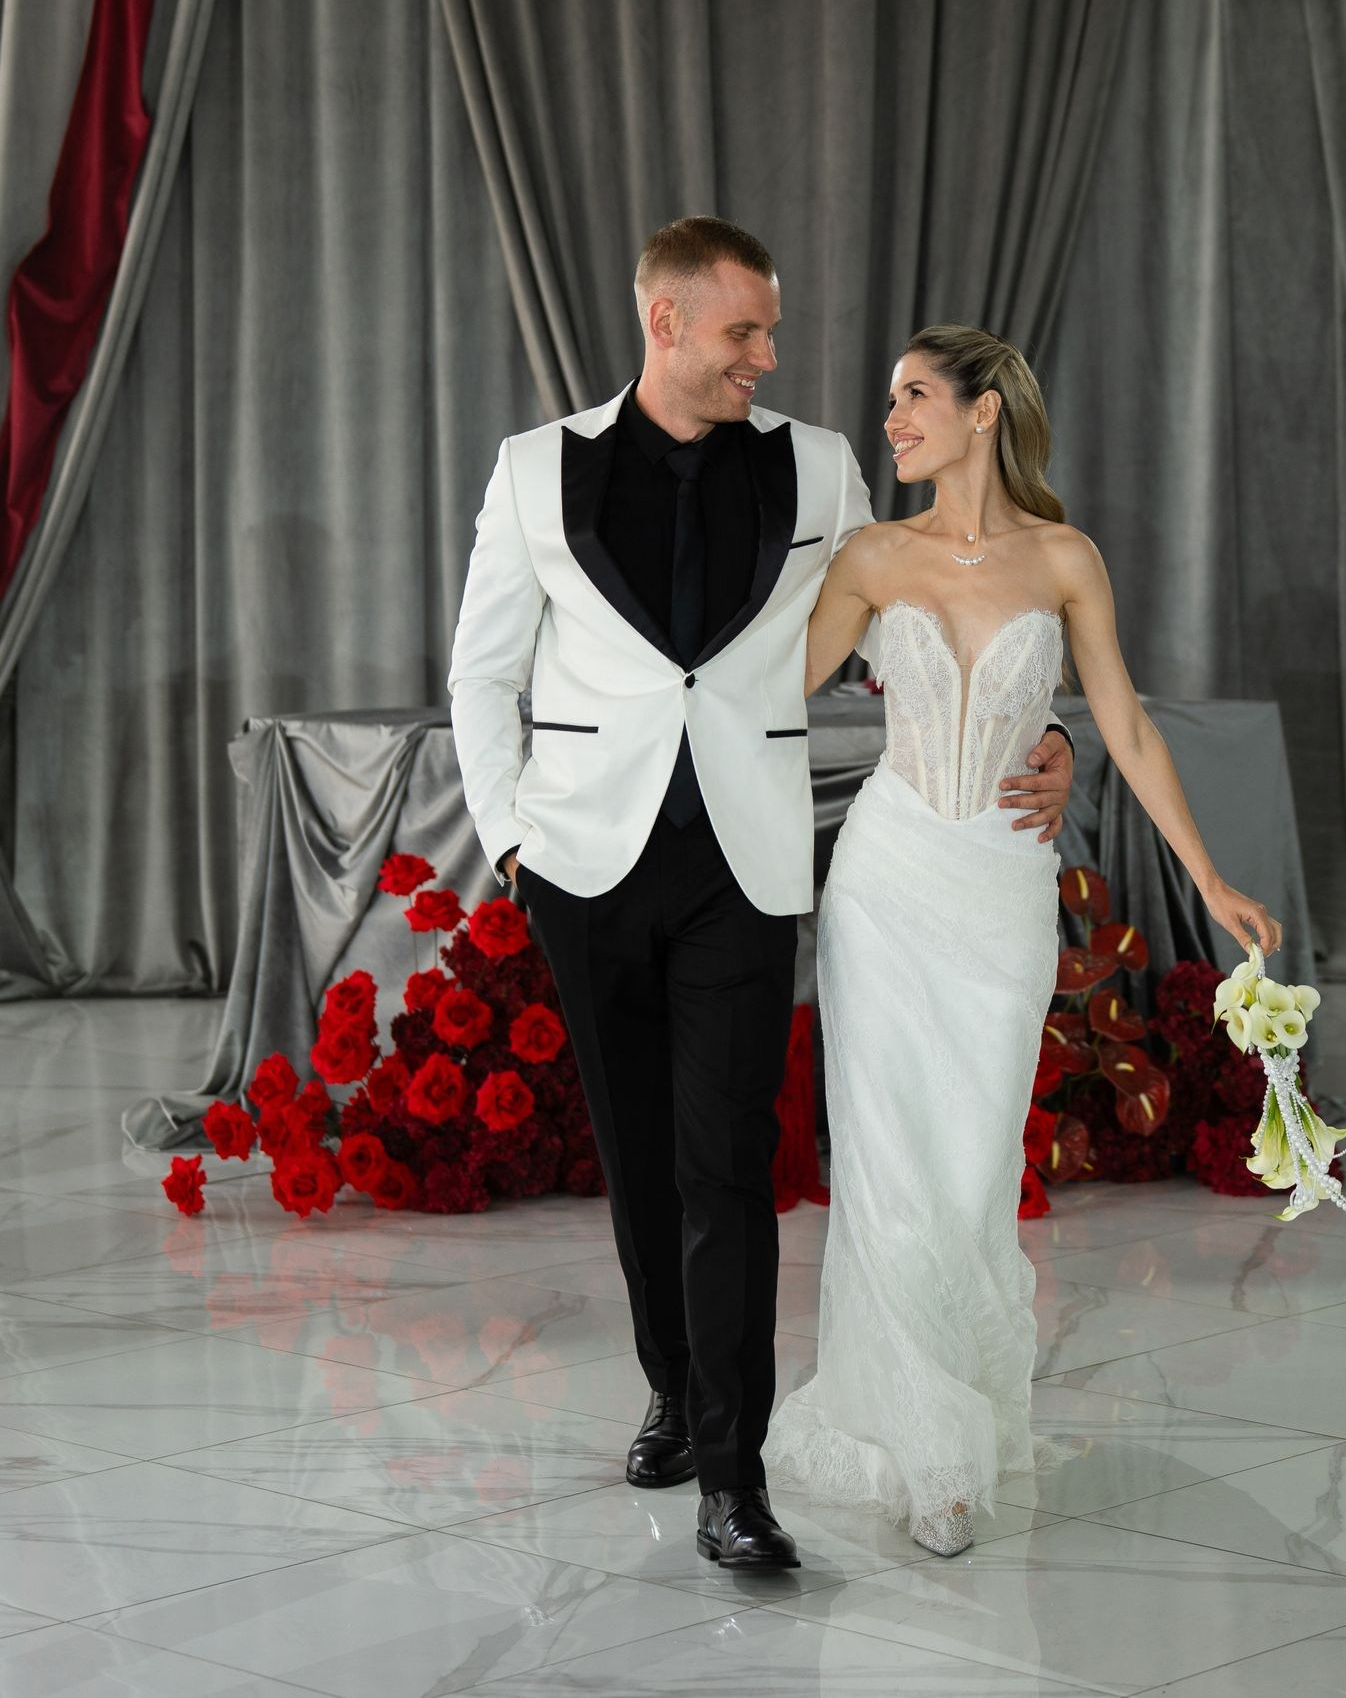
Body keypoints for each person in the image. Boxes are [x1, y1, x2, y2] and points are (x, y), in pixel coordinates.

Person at [447, 225, 1078, 1572]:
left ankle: (734, 1485)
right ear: (665, 323)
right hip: (584, 864)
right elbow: (480, 673)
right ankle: (674, 1390)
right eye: (744, 331)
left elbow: (923, 615)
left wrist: (1042, 728)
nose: (767, 357)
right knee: (636, 1158)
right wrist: (509, 844)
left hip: (744, 864)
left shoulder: (817, 465)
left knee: (728, 1162)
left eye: (770, 331)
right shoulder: (535, 467)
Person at [766, 323, 1282, 1556]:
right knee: (888, 1167)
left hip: (999, 892)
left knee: (970, 1163)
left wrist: (1207, 875)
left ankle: (954, 1407)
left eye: (913, 396)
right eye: (889, 400)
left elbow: (1127, 726)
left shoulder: (1063, 558)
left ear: (982, 409)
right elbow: (760, 695)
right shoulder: (869, 556)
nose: (891, 419)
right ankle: (928, 1454)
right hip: (885, 883)